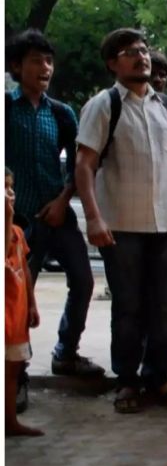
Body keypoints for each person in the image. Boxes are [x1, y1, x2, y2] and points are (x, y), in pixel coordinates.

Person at [74, 28, 167, 413]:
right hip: (122, 226)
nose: (140, 57)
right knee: (127, 307)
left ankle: (158, 378)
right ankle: (127, 381)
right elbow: (84, 164)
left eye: (144, 51)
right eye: (130, 52)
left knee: (165, 307)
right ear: (113, 63)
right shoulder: (104, 105)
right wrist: (94, 219)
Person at [5, 29, 104, 378]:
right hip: (15, 222)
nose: (45, 67)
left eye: (49, 61)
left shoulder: (62, 114)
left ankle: (66, 352)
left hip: (57, 215)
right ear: (17, 66)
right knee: (17, 297)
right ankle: (16, 372)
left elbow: (80, 164)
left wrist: (64, 200)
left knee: (83, 280)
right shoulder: (6, 109)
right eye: (36, 61)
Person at [5, 169, 44, 437]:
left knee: (12, 370)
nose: (11, 193)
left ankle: (10, 422)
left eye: (11, 187)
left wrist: (31, 304)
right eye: (4, 188)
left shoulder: (18, 231)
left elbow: (25, 270)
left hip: (16, 314)